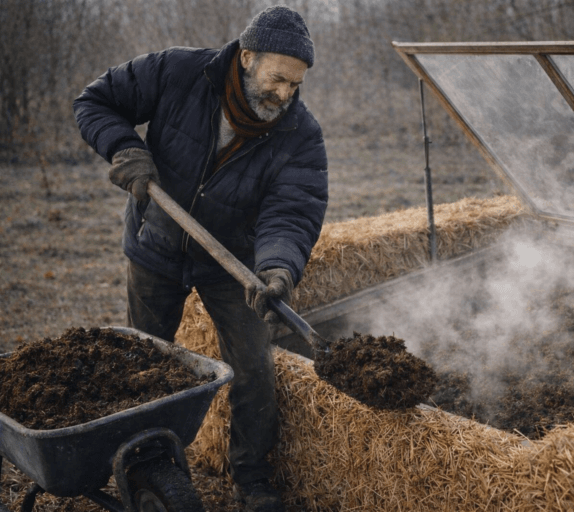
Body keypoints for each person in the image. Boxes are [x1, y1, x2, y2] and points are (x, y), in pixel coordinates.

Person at [73, 5, 328, 512]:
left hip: (233, 262)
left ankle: (251, 479)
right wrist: (125, 149)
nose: (285, 94)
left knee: (254, 369)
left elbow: (293, 210)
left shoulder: (299, 133)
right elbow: (95, 101)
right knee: (144, 364)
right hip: (156, 244)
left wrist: (277, 267)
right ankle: (149, 466)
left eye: (295, 85)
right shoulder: (178, 72)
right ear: (248, 57)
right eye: (277, 79)